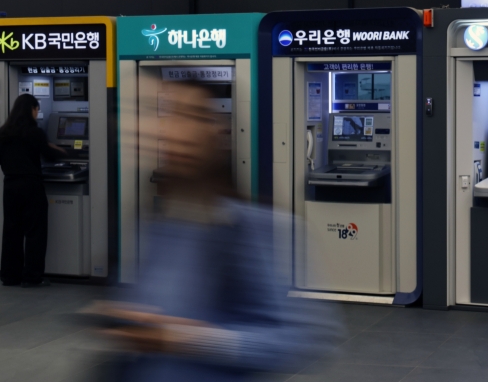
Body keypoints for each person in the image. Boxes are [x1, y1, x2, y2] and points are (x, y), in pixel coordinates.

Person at [81, 80, 340, 381]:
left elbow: (299, 337)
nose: (175, 131)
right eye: (166, 115)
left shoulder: (254, 225)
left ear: (216, 134)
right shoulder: (157, 223)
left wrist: (184, 338)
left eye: (191, 116)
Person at [0, 93, 66, 287]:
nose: (37, 112)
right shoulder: (34, 132)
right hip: (31, 187)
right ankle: (32, 277)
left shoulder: (4, 132)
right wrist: (61, 150)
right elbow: (49, 156)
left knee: (11, 233)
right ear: (31, 109)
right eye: (36, 109)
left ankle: (10, 276)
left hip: (10, 187)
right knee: (35, 233)